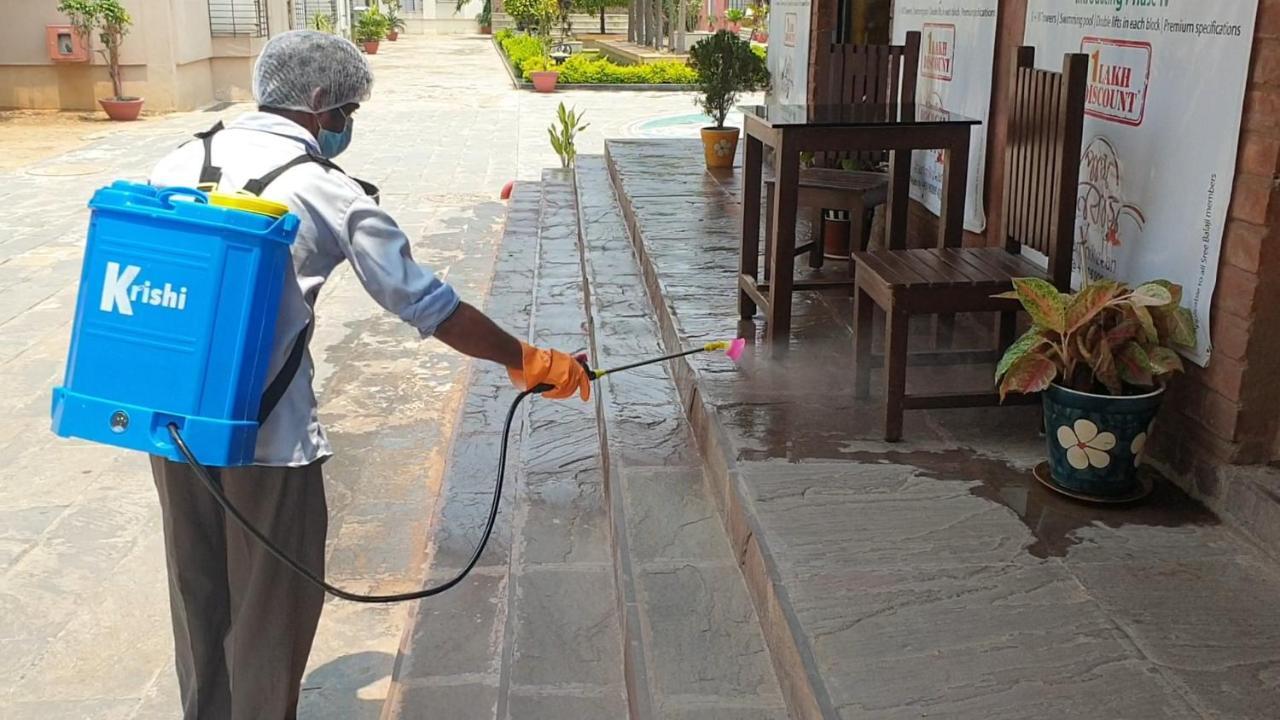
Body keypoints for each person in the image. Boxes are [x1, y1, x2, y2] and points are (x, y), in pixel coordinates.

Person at [146, 30, 590, 719]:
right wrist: (528, 359)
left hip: (168, 421)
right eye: (346, 112)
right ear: (320, 103)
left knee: (198, 593)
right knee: (271, 610)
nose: (346, 126)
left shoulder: (179, 159)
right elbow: (431, 306)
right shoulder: (326, 190)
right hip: (268, 437)